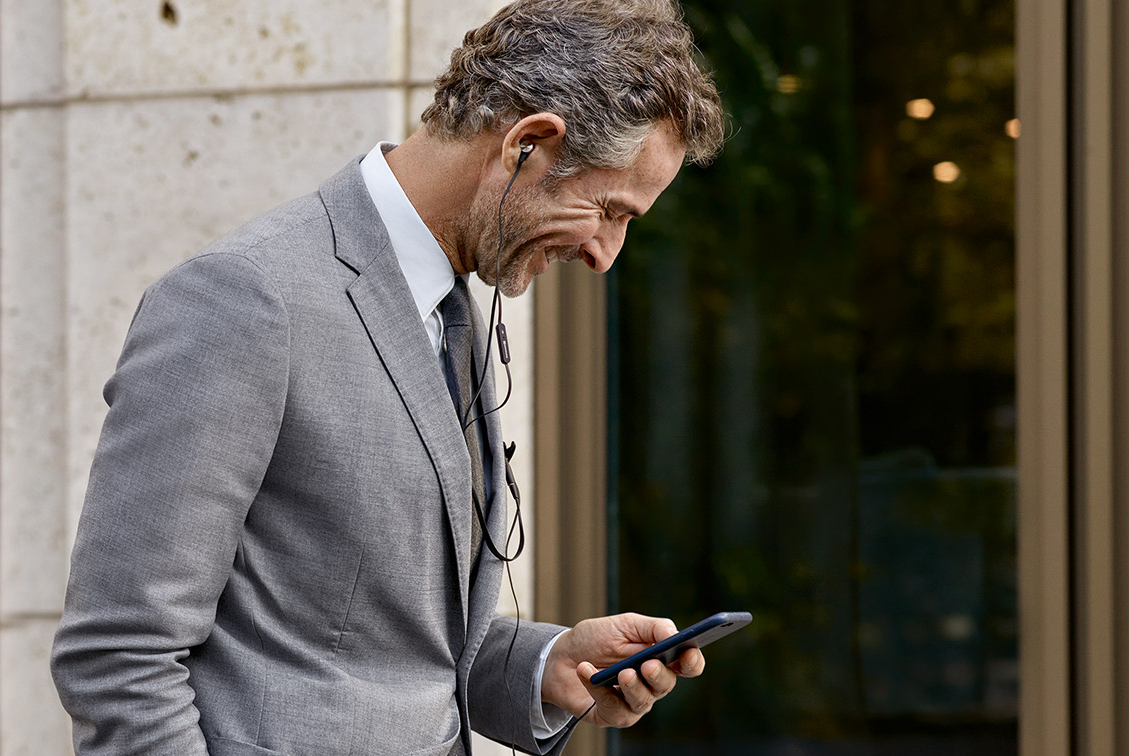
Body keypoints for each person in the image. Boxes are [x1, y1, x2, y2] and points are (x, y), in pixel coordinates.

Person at [50, 1, 726, 754]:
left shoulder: (453, 315)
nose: (606, 254)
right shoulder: (241, 300)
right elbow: (119, 654)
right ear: (528, 144)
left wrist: (545, 665)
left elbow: (378, 649)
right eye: (609, 211)